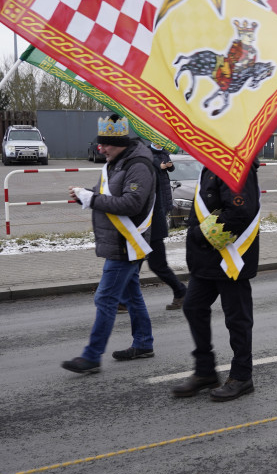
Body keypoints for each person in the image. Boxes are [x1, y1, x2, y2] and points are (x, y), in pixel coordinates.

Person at [63, 115, 156, 374]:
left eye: (105, 144)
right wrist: (83, 195)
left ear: (119, 144)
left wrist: (91, 199)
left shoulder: (138, 165)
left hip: (126, 243)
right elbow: (104, 194)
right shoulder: (116, 162)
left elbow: (131, 203)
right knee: (131, 295)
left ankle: (92, 356)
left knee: (105, 298)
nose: (100, 148)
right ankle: (143, 343)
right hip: (118, 241)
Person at [171, 159, 261, 402]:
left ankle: (242, 376)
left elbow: (240, 212)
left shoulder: (236, 166)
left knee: (237, 320)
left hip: (231, 259)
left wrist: (199, 234)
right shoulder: (211, 164)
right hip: (207, 259)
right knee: (193, 307)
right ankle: (205, 371)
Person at [145, 142, 190, 311]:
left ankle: (181, 291)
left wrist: (167, 166)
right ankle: (123, 300)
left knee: (156, 264)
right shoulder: (145, 158)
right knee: (133, 264)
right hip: (146, 223)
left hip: (153, 223)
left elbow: (164, 172)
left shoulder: (150, 160)